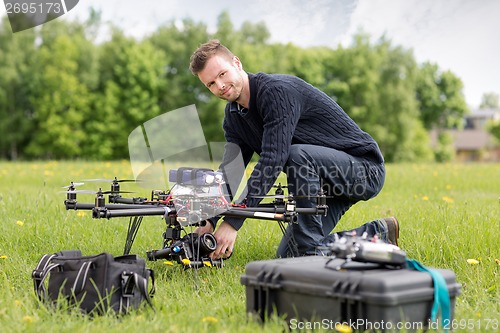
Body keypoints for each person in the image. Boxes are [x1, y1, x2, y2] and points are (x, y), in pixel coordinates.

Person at [189, 39, 399, 259]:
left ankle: (312, 247)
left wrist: (232, 222)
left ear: (237, 63)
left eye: (222, 74)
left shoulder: (276, 92)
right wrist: (209, 220)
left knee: (296, 155)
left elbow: (273, 159)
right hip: (322, 183)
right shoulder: (233, 117)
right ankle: (380, 233)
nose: (220, 86)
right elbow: (231, 171)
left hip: (363, 169)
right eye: (211, 84)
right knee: (293, 256)